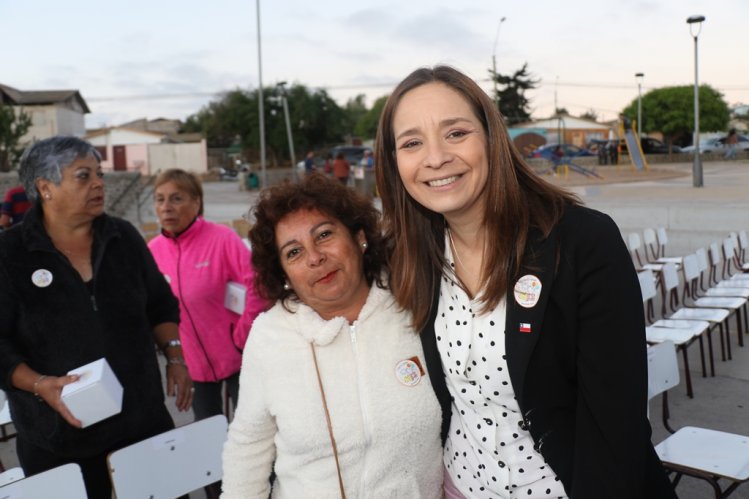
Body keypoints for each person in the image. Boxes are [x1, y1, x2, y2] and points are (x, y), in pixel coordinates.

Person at [374, 66, 677, 499]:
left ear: (492, 138)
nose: (435, 157)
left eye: (456, 133)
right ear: (394, 161)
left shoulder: (582, 243)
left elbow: (615, 428)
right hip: (458, 485)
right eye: (411, 143)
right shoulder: (409, 256)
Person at [221, 173, 443, 498]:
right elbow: (248, 447)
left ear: (360, 237)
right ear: (283, 274)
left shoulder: (416, 306)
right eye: (293, 253)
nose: (315, 258)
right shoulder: (269, 336)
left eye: (324, 235)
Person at [0, 136, 193, 498]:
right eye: (84, 176)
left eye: (99, 174)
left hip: (142, 428)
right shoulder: (10, 254)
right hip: (59, 444)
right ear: (46, 188)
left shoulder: (124, 237)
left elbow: (160, 304)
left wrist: (175, 355)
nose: (99, 184)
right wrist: (41, 385)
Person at [149, 168, 266, 424]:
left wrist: (243, 333)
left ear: (196, 202)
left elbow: (259, 285)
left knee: (254, 434)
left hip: (240, 357)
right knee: (209, 440)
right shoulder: (153, 252)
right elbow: (151, 309)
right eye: (160, 199)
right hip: (194, 368)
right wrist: (174, 358)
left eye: (176, 198)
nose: (166, 207)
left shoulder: (222, 238)